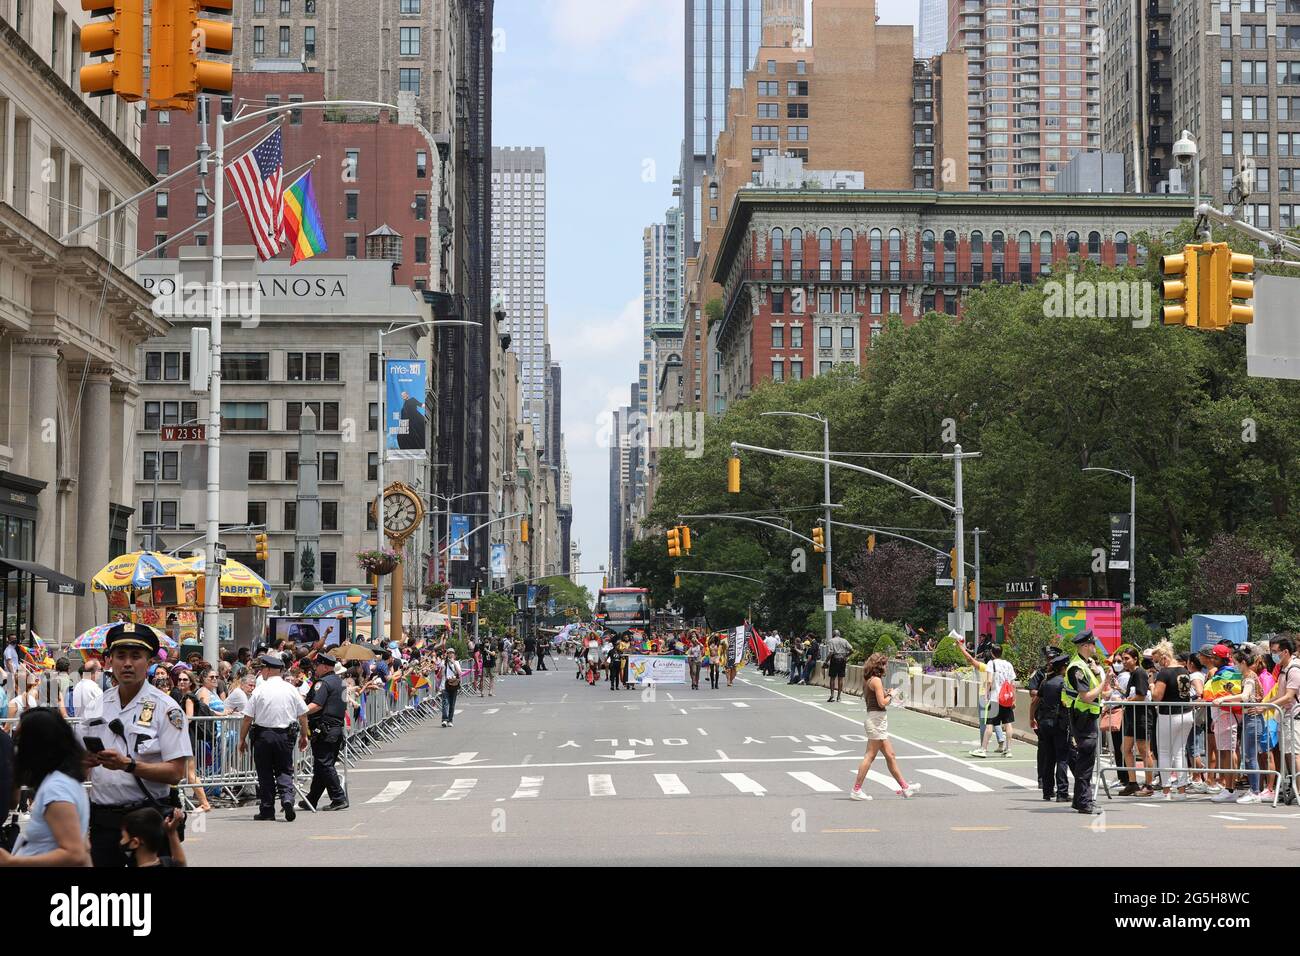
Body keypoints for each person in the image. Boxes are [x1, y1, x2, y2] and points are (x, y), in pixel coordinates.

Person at [83, 623, 191, 867]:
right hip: (103, 822)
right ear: (110, 661)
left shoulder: (167, 708)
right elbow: (79, 766)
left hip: (146, 822)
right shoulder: (96, 706)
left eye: (136, 656)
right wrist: (82, 762)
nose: (127, 663)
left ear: (149, 661)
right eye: (120, 656)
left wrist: (128, 765)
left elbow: (176, 773)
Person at [0, 708, 90, 866]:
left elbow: (75, 854)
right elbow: (84, 846)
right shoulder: (63, 781)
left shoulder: (57, 788)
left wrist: (12, 862)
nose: (16, 745)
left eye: (20, 739)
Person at [238, 654, 309, 822]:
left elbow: (248, 717)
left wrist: (242, 739)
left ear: (268, 670)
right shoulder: (291, 689)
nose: (261, 672)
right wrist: (304, 735)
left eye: (262, 668)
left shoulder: (260, 690)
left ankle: (268, 809)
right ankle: (287, 799)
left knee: (265, 772)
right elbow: (303, 714)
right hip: (285, 736)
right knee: (284, 769)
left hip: (263, 735)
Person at [850, 654, 920, 801]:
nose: (886, 667)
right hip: (876, 721)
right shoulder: (876, 680)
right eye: (885, 664)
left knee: (890, 755)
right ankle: (856, 790)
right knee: (870, 755)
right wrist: (892, 695)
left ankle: (905, 787)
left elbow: (877, 697)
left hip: (877, 720)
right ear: (879, 666)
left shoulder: (870, 679)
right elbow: (882, 703)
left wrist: (886, 692)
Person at [1062, 631, 1106, 814]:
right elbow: (1087, 696)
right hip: (1083, 716)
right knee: (1086, 760)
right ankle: (1084, 802)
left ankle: (1080, 801)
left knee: (1085, 759)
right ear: (1085, 646)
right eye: (1093, 644)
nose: (1095, 647)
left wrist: (1099, 674)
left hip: (1086, 715)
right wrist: (1105, 682)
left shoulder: (1085, 665)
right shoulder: (1076, 668)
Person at [299, 653, 348, 812]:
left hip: (325, 729)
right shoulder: (340, 682)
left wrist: (300, 712)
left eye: (318, 665)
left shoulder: (323, 683)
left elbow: (317, 705)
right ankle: (311, 799)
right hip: (335, 729)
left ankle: (338, 798)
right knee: (322, 766)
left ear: (325, 666)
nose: (315, 668)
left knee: (324, 764)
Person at [1150, 640, 1192, 801]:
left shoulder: (1165, 673)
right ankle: (1182, 791)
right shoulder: (1184, 670)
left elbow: (1157, 697)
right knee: (1180, 751)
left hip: (1169, 715)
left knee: (1165, 752)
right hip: (1186, 713)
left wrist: (1152, 685)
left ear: (1164, 658)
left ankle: (1166, 790)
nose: (1158, 664)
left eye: (1158, 661)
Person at [962, 642, 1016, 757]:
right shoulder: (1008, 664)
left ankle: (983, 749)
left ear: (992, 653)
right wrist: (1013, 699)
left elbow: (990, 680)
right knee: (1008, 724)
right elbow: (1012, 684)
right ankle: (1008, 750)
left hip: (995, 698)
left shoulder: (992, 663)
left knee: (990, 724)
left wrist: (986, 695)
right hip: (1006, 699)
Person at [169, 669, 212, 812]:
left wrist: (176, 726)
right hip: (184, 738)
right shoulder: (183, 696)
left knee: (190, 774)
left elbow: (189, 717)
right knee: (185, 773)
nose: (181, 682)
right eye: (180, 679)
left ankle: (205, 804)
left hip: (186, 739)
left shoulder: (188, 697)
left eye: (185, 680)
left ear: (191, 683)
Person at [1031, 654, 1071, 802]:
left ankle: (1047, 791)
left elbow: (1035, 700)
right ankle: (1062, 792)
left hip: (1044, 723)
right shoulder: (1064, 684)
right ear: (1062, 668)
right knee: (1061, 758)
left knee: (1049, 758)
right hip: (1059, 724)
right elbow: (1067, 703)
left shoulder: (1045, 682)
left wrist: (1031, 718)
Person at [1116, 647, 1155, 796]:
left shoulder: (1139, 673)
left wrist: (1126, 700)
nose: (1124, 662)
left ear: (1135, 659)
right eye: (1123, 659)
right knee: (1125, 748)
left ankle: (1149, 785)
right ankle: (1132, 783)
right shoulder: (1132, 674)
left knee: (1144, 750)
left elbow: (1141, 695)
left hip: (1142, 717)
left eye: (1126, 659)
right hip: (1131, 717)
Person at [1267, 636, 1299, 805]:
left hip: (1294, 717)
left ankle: (1298, 790)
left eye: (1275, 652)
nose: (1273, 655)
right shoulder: (1283, 668)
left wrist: (1266, 706)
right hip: (1285, 717)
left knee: (1295, 755)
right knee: (1288, 754)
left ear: (1285, 651)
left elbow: (1288, 697)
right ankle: (1294, 789)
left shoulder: (1294, 669)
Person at [119, 806, 186, 867]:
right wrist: (172, 832)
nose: (121, 841)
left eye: (123, 837)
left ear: (135, 842)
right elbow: (180, 863)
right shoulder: (166, 862)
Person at [824, 629, 853, 703]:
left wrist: (826, 661)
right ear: (839, 634)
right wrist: (846, 656)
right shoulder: (844, 640)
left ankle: (832, 696)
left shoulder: (831, 641)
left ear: (833, 634)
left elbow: (831, 652)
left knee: (832, 678)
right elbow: (851, 650)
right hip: (843, 660)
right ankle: (839, 697)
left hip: (835, 659)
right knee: (840, 678)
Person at [441, 648, 462, 727]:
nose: (450, 654)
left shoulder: (456, 662)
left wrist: (454, 664)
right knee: (445, 702)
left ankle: (450, 720)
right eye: (449, 653)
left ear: (454, 654)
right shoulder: (444, 663)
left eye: (452, 653)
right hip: (445, 685)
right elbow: (440, 675)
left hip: (454, 685)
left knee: (452, 703)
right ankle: (444, 720)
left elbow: (459, 673)